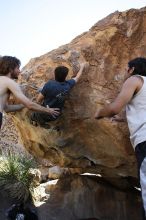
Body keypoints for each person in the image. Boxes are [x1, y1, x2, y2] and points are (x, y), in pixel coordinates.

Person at [95, 57, 146, 219]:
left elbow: (114, 108)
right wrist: (123, 119)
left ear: (132, 69)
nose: (126, 72)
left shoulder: (134, 80)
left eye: (127, 69)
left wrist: (100, 113)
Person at [0, 56, 60, 129]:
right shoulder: (8, 82)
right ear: (10, 69)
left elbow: (6, 108)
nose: (19, 71)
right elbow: (29, 105)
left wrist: (22, 105)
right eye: (17, 68)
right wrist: (48, 110)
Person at [31, 62, 87, 127]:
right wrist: (82, 67)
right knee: (46, 118)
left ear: (55, 75)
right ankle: (43, 123)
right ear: (65, 76)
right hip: (56, 114)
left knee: (35, 115)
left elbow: (38, 99)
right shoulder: (68, 85)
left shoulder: (49, 84)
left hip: (46, 111)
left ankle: (35, 121)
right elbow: (77, 77)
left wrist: (38, 103)